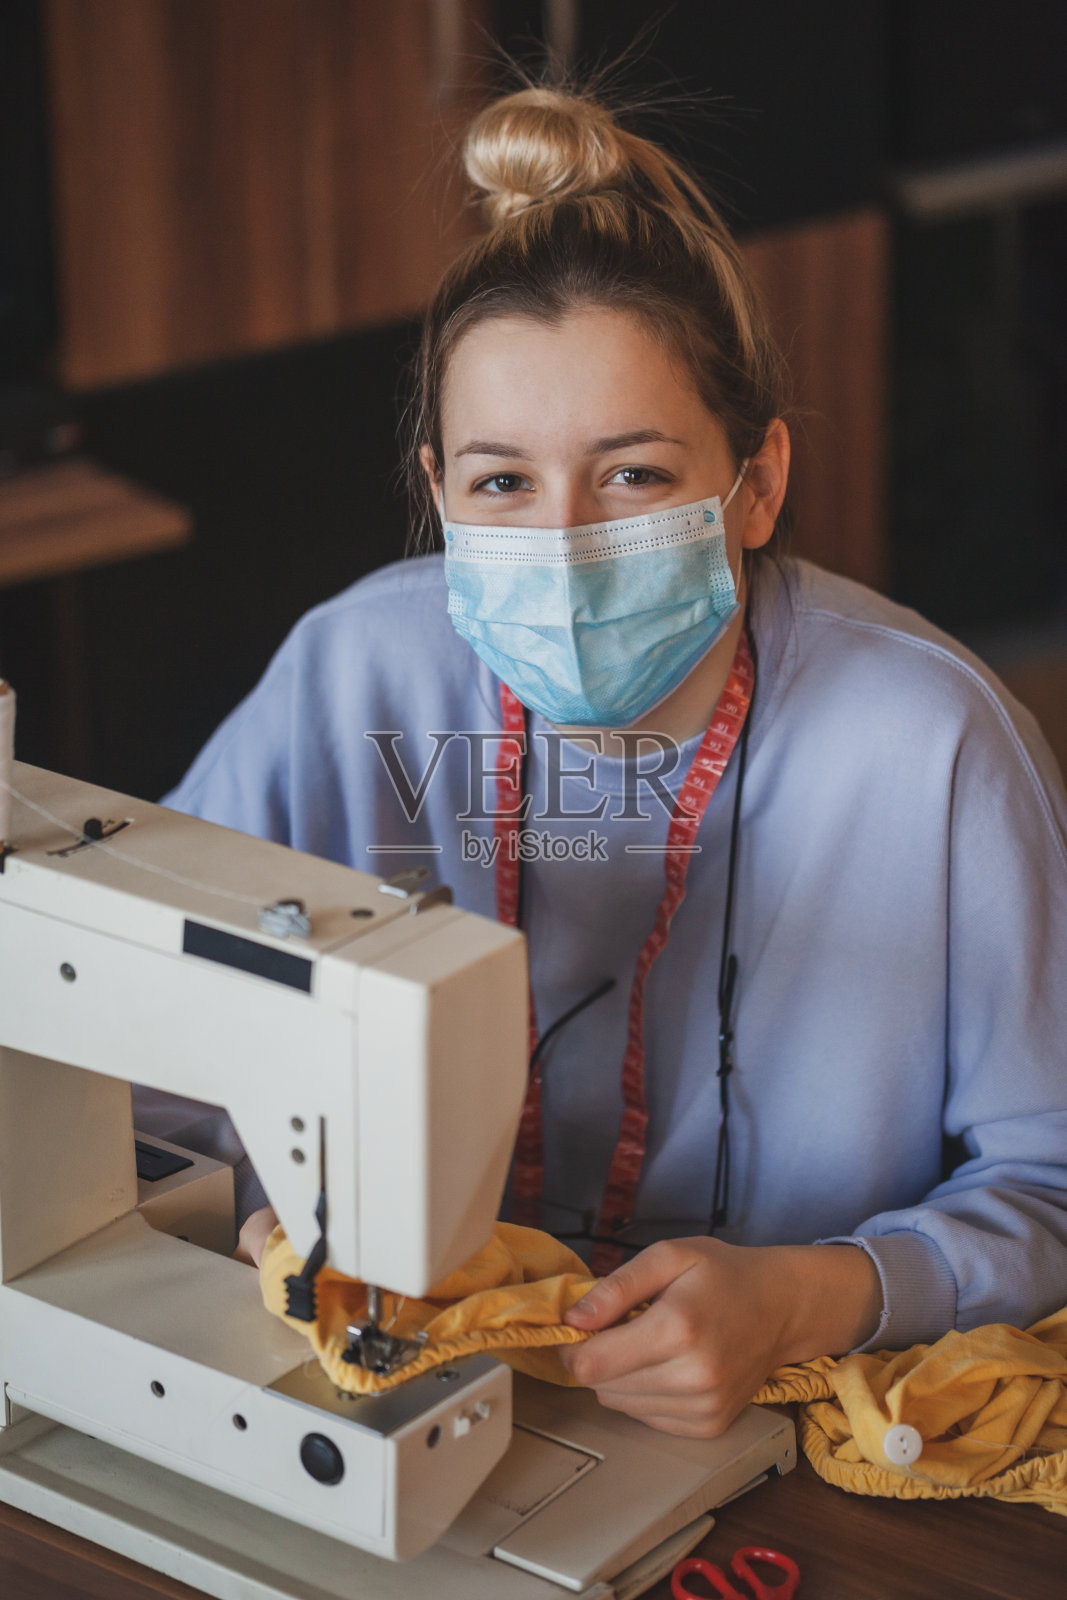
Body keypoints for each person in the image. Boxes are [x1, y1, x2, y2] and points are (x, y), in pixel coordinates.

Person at [159, 86, 1067, 1440]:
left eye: (634, 475)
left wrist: (811, 1295)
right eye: (503, 483)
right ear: (437, 490)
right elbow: (142, 1046)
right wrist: (248, 1208)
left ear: (757, 484)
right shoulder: (349, 676)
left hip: (770, 1423)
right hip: (393, 1390)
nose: (565, 543)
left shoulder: (935, 742)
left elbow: (1052, 1182)